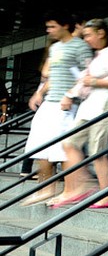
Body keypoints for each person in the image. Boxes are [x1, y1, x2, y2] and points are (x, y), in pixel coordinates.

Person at [55, 19, 108, 208]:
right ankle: (82, 185)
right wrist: (69, 95)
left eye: (88, 35)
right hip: (89, 108)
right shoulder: (98, 54)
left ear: (101, 33)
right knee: (69, 143)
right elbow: (84, 81)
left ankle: (105, 196)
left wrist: (95, 82)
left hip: (105, 107)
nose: (86, 39)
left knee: (98, 153)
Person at [20, 12, 93, 206]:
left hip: (67, 104)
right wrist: (39, 93)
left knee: (62, 147)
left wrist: (70, 95)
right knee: (40, 144)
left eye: (52, 26)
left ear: (65, 25)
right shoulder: (55, 48)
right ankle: (46, 188)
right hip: (50, 101)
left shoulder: (80, 47)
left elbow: (87, 76)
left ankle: (72, 189)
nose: (48, 30)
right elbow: (53, 76)